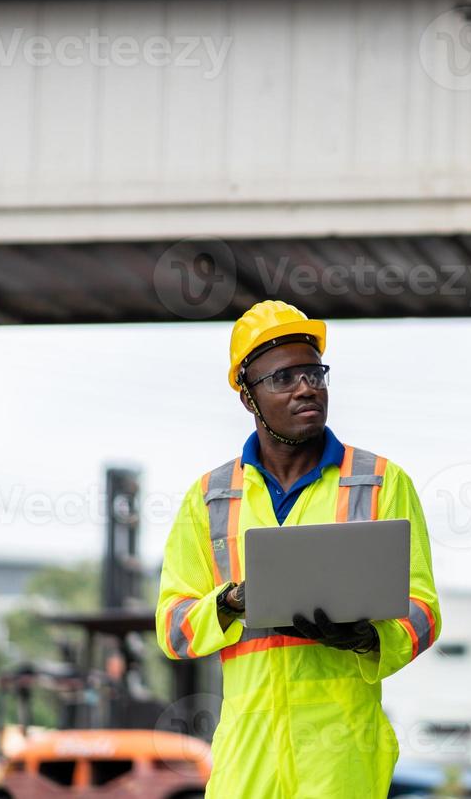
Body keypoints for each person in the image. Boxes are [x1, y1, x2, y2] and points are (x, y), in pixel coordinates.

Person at [155, 300, 441, 798]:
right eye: (283, 378)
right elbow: (173, 627)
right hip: (247, 761)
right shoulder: (209, 498)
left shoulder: (379, 482)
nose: (306, 387)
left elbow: (423, 612)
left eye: (314, 373)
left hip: (342, 760)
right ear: (248, 398)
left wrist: (367, 638)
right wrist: (230, 603)